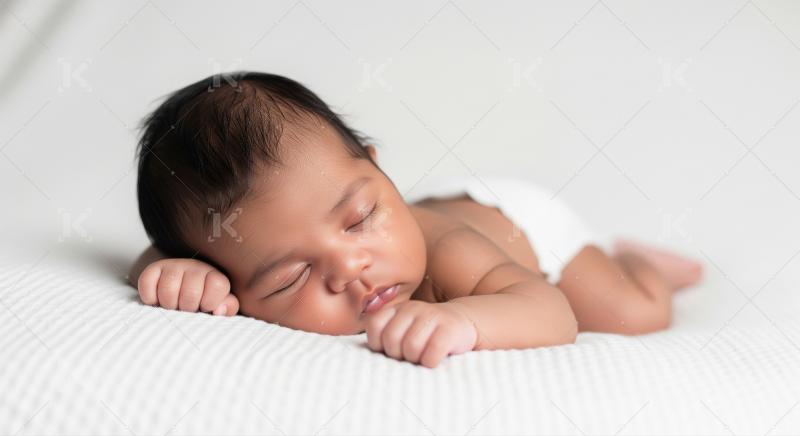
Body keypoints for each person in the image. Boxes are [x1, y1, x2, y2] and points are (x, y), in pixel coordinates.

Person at [129, 71, 703, 368]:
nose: (351, 268)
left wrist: (463, 321)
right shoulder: (231, 255)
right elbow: (168, 258)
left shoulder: (449, 251)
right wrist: (170, 269)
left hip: (524, 225)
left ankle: (636, 260)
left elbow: (550, 312)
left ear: (380, 173)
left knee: (633, 313)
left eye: (360, 219)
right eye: (291, 278)